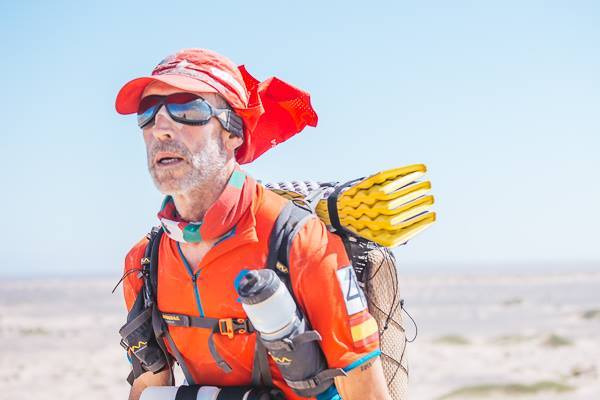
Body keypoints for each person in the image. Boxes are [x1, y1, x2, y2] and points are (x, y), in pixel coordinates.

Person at [115, 48, 392, 400]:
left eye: (188, 110)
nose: (161, 129)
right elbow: (150, 388)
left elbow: (365, 391)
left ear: (234, 133)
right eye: (148, 113)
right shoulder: (144, 262)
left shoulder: (300, 242)